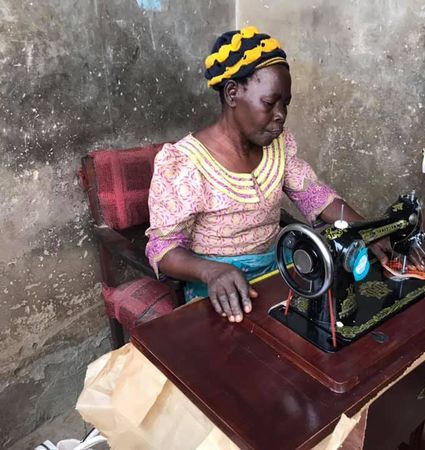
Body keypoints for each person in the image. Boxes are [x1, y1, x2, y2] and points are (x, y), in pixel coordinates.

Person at [145, 27, 390, 323]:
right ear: (232, 93)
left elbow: (316, 197)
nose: (281, 115)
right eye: (269, 102)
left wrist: (367, 229)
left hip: (279, 272)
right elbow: (163, 248)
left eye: (285, 103)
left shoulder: (278, 147)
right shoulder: (185, 163)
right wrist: (211, 271)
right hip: (220, 288)